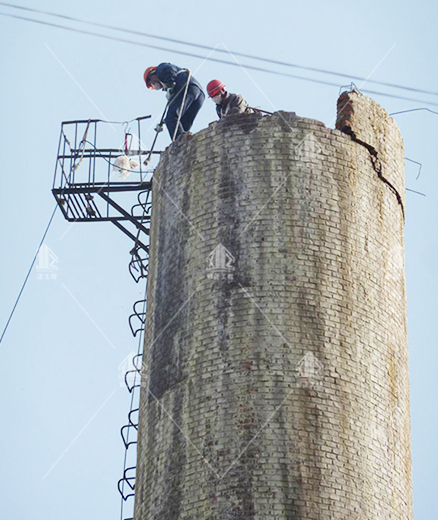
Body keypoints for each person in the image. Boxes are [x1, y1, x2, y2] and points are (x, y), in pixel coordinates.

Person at [144, 63, 205, 140]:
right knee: (183, 123)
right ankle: (186, 142)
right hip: (199, 94)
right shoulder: (170, 85)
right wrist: (163, 122)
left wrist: (169, 87)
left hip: (187, 87)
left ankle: (179, 144)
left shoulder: (160, 69)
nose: (154, 85)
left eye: (152, 83)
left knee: (171, 118)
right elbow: (175, 106)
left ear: (152, 76)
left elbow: (169, 70)